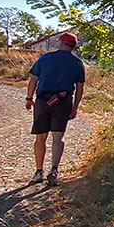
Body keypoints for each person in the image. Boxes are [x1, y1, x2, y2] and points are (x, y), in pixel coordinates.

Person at [25, 32, 85, 185]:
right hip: (63, 102)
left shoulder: (45, 58)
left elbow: (34, 79)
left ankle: (39, 171)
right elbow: (79, 88)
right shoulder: (77, 63)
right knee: (58, 137)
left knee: (40, 137)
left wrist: (29, 98)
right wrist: (75, 107)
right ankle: (54, 170)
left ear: (61, 43)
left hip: (43, 101)